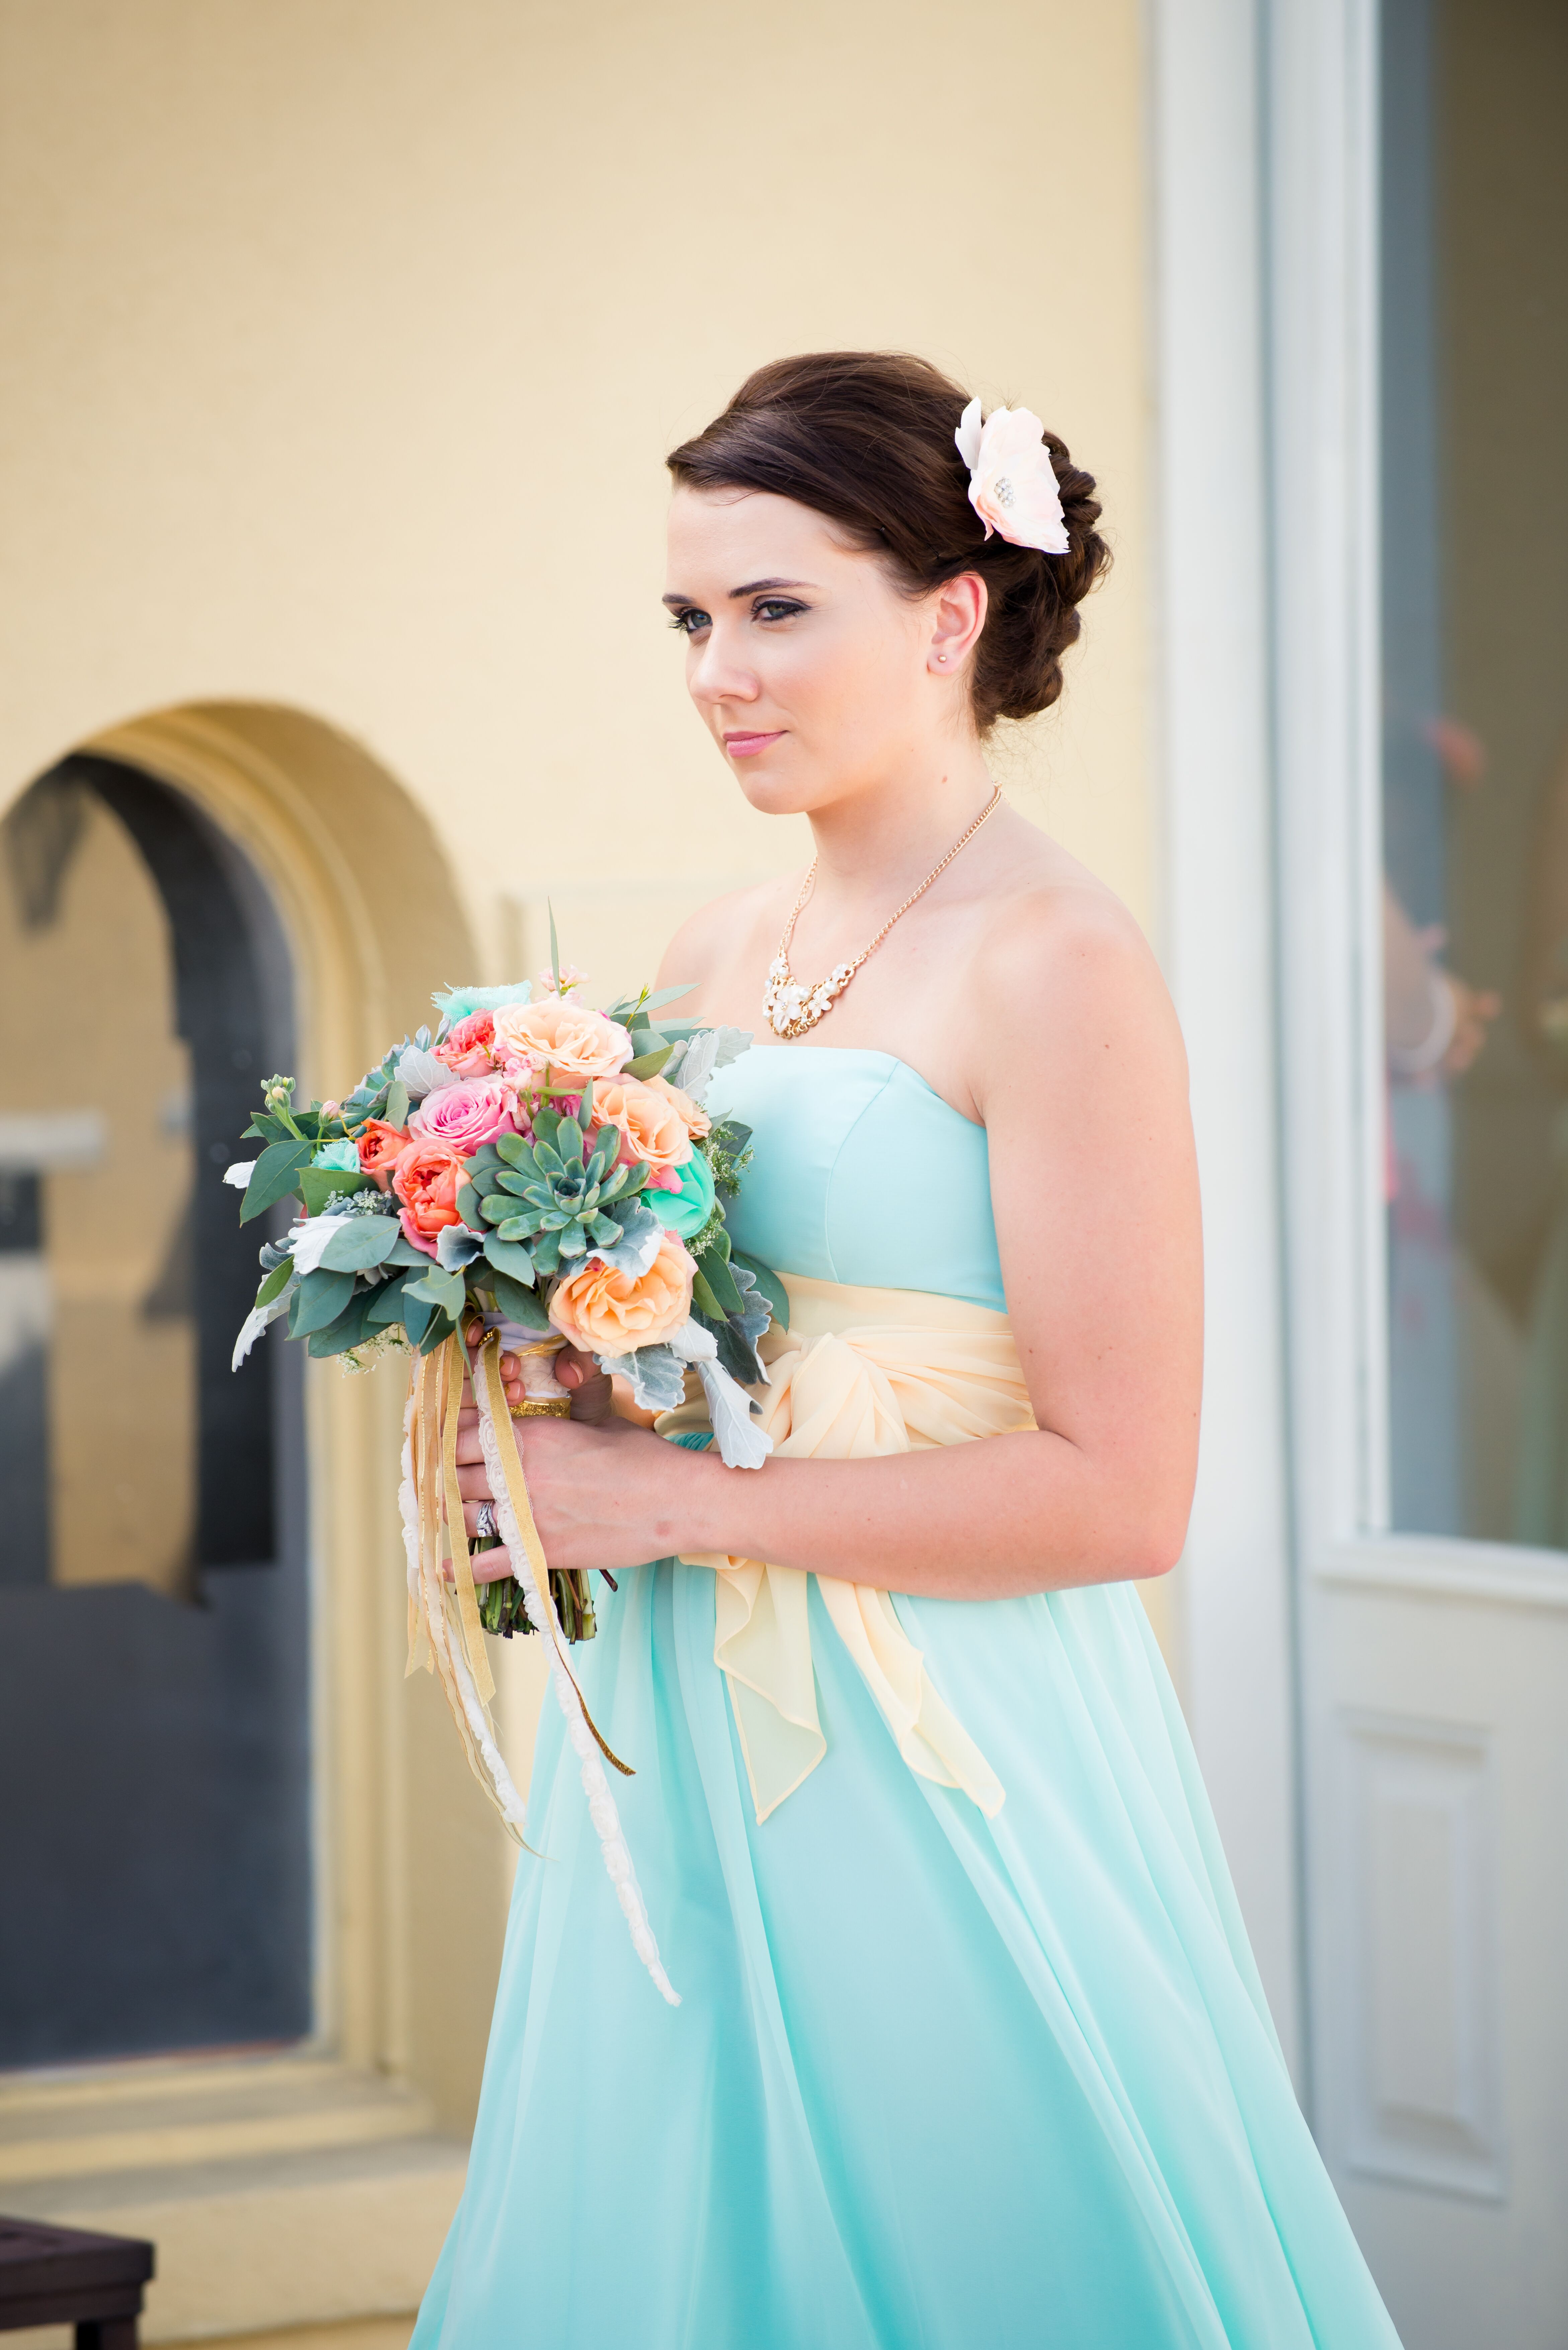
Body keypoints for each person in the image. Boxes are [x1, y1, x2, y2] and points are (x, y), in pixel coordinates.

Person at [410, 352, 1401, 2348]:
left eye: (779, 610)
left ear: (952, 617)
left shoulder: (1060, 964)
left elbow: (1125, 1495)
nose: (718, 672)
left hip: (942, 1731)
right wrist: (547, 1397)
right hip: (693, 1716)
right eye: (693, 619)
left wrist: (667, 1498)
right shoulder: (704, 953)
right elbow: (693, 1341)